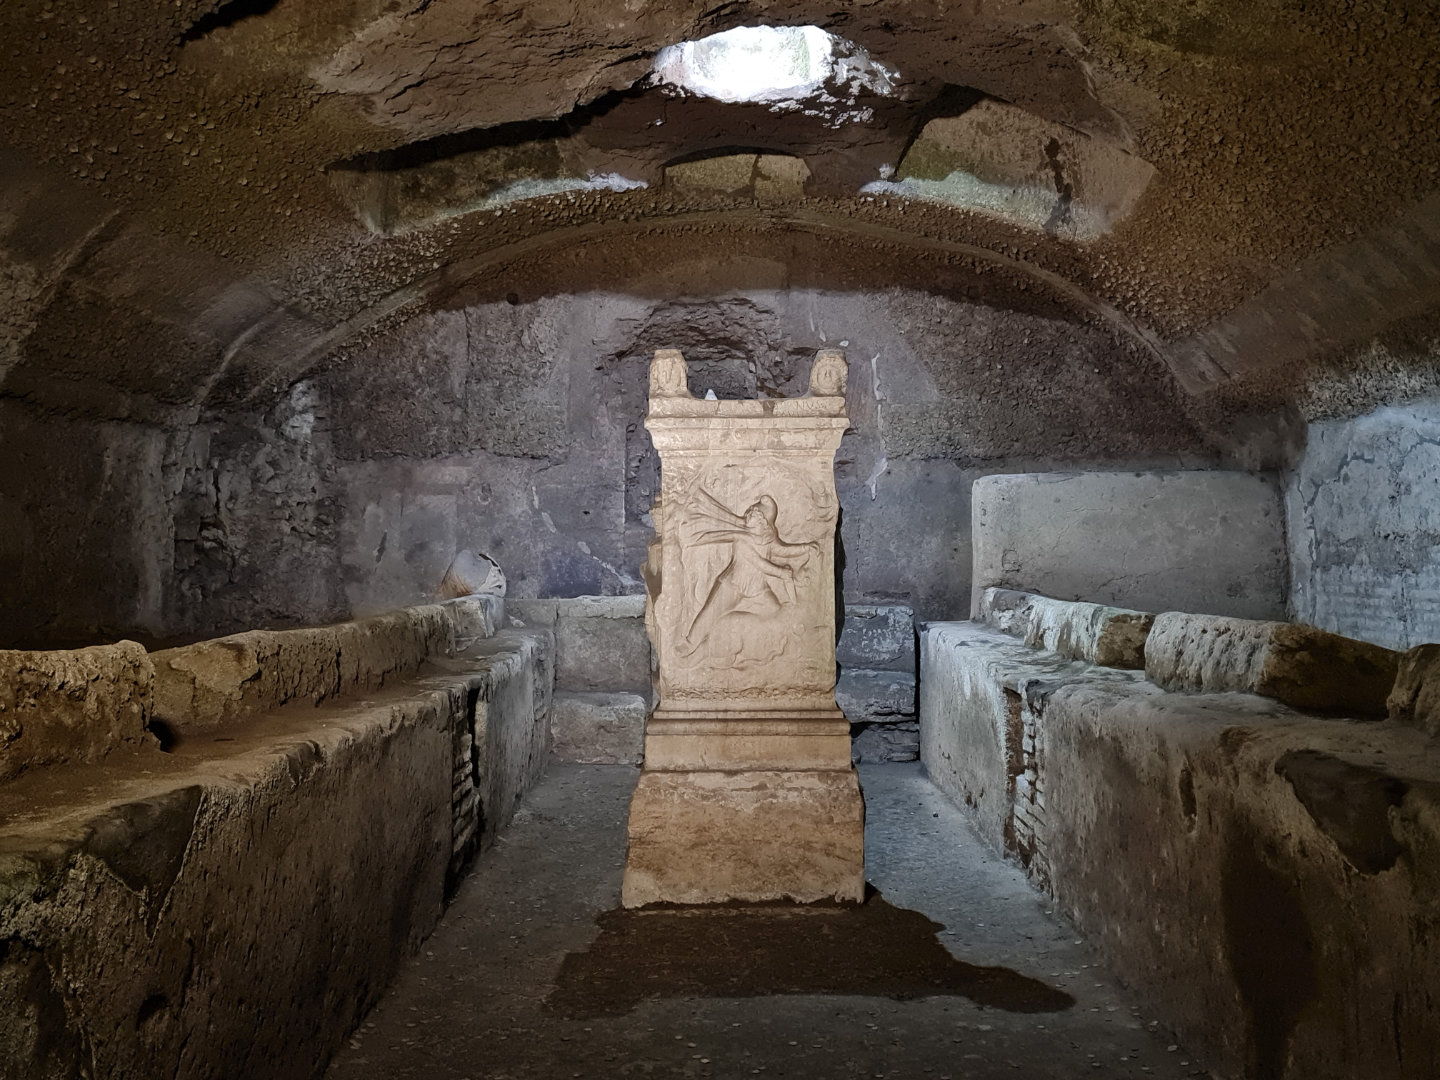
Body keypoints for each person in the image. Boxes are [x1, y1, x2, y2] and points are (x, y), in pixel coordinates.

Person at [678, 489, 819, 663]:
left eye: (754, 512)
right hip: (732, 586)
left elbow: (782, 550)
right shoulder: (742, 539)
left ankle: (764, 649)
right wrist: (780, 572)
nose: (749, 513)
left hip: (757, 589)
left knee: (775, 612)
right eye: (750, 510)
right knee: (710, 613)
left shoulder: (768, 540)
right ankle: (690, 643)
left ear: (764, 523)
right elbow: (759, 563)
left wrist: (805, 548)